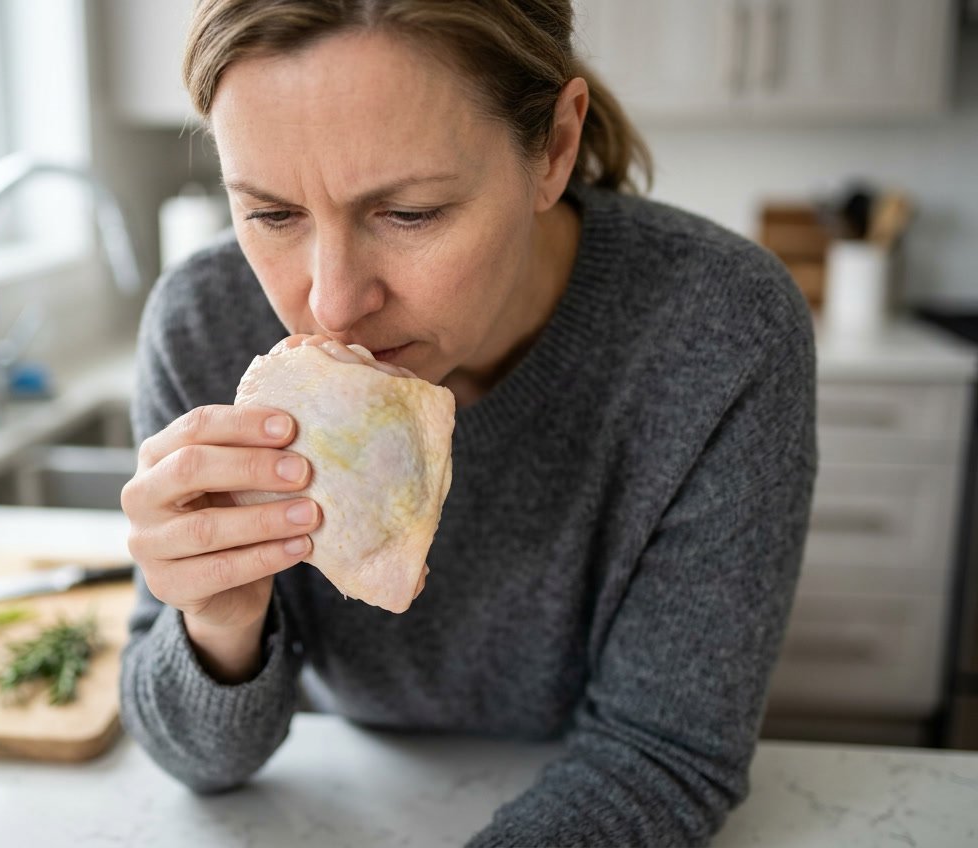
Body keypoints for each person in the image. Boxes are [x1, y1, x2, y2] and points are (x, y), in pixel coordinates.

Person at [118, 1, 817, 845]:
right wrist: (218, 619)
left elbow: (665, 755)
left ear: (555, 148)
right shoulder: (203, 324)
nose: (334, 304)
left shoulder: (719, 328)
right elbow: (200, 765)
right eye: (272, 215)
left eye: (409, 214)